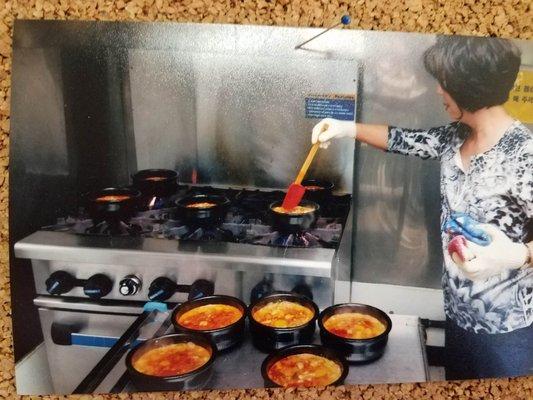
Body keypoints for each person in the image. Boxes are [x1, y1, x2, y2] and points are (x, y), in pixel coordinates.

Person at [312, 36, 532, 380]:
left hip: (506, 332)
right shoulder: (456, 136)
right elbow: (403, 139)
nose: (438, 91)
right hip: (458, 318)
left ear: (468, 88)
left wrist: (518, 255)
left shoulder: (525, 154)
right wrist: (346, 128)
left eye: (444, 83)